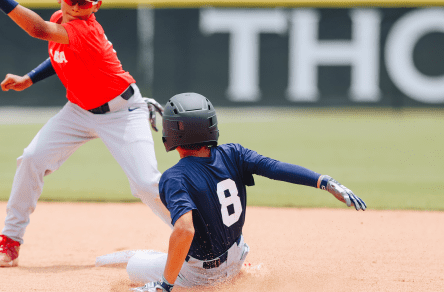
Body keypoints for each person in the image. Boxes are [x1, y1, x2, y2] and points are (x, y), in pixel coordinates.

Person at [0, 0, 172, 267]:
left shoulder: (86, 30)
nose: (77, 6)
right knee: (31, 158)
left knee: (146, 184)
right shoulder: (61, 20)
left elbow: (38, 30)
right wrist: (29, 78)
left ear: (97, 5)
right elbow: (58, 54)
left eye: (85, 1)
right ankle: (10, 240)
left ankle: (205, 240)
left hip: (122, 112)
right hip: (78, 111)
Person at [124, 92, 366, 291]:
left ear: (172, 133)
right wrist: (324, 181)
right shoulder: (234, 153)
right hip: (237, 258)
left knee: (133, 266)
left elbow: (185, 229)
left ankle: (164, 278)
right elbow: (275, 168)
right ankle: (232, 271)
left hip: (200, 277)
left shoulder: (174, 177)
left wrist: (165, 285)